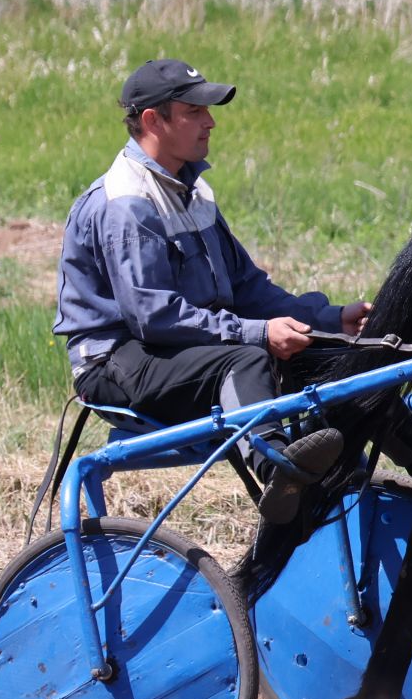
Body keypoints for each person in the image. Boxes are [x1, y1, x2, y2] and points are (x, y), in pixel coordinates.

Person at [55, 59, 371, 523]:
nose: (211, 121)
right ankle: (278, 468)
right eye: (194, 111)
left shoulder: (194, 191)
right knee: (248, 357)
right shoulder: (125, 202)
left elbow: (245, 287)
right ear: (152, 121)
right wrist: (258, 334)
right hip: (116, 361)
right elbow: (154, 317)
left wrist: (330, 320)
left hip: (172, 351)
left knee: (341, 356)